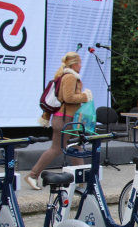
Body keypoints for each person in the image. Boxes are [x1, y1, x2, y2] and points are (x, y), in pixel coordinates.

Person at [26, 52, 92, 190]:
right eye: (79, 63)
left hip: (69, 119)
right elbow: (68, 98)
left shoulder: (67, 76)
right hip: (64, 119)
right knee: (57, 148)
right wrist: (85, 96)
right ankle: (32, 175)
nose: (80, 66)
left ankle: (83, 180)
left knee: (76, 148)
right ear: (74, 64)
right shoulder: (70, 77)